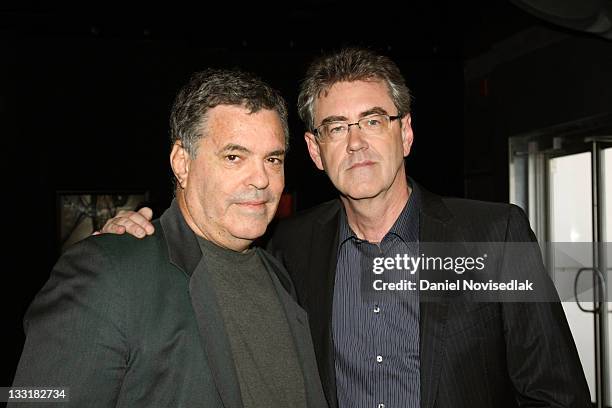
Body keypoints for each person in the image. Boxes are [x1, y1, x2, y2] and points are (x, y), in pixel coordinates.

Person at [99, 48, 592, 408]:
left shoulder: (495, 236)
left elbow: (557, 394)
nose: (356, 143)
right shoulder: (289, 246)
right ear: (315, 151)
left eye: (374, 121)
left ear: (406, 133)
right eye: (337, 127)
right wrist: (137, 234)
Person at [10, 69, 327, 408]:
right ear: (182, 163)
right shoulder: (108, 272)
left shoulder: (280, 275)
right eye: (234, 157)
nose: (261, 179)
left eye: (273, 159)